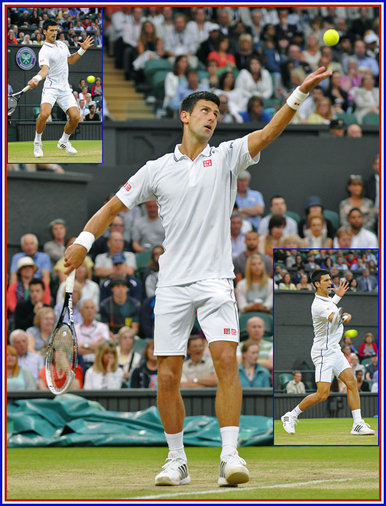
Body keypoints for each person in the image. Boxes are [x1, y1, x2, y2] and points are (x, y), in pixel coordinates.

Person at [64, 67, 332, 487]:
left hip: (215, 281)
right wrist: (82, 242)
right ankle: (177, 460)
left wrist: (299, 92)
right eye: (205, 110)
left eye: (217, 113)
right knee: (167, 376)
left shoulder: (226, 156)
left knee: (226, 360)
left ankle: (229, 456)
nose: (213, 118)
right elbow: (113, 207)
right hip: (171, 284)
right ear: (185, 117)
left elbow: (267, 133)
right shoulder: (156, 169)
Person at [281, 270, 375, 436]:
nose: (329, 282)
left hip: (334, 350)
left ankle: (358, 424)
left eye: (329, 279)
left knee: (351, 382)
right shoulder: (317, 305)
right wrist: (345, 317)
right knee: (322, 394)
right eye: (325, 280)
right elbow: (333, 317)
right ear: (317, 284)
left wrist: (338, 297)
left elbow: (331, 306)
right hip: (323, 352)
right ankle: (290, 415)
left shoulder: (327, 300)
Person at [27, 19, 94, 158]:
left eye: (56, 30)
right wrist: (37, 78)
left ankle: (64, 141)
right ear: (44, 32)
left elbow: (70, 60)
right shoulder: (44, 51)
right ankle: (37, 142)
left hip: (64, 88)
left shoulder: (63, 45)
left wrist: (82, 50)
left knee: (76, 117)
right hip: (51, 88)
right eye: (51, 30)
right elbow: (45, 70)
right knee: (44, 115)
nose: (54, 33)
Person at [74, 299, 110, 371]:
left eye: (92, 308)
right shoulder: (74, 328)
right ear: (80, 311)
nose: (89, 310)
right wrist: (96, 348)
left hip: (98, 363)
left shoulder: (102, 327)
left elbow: (104, 346)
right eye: (87, 308)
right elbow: (73, 349)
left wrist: (84, 345)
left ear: (95, 311)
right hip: (78, 364)